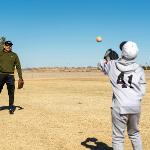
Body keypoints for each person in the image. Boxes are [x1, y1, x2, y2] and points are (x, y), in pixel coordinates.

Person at [97, 41, 146, 150]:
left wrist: (107, 59)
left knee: (118, 138)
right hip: (135, 106)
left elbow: (100, 64)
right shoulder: (139, 69)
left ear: (122, 52)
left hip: (119, 106)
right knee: (135, 134)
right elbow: (142, 91)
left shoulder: (112, 65)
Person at [0, 41, 24, 114]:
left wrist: (20, 77)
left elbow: (18, 66)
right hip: (1, 75)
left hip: (10, 76)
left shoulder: (14, 55)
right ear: (4, 46)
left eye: (10, 45)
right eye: (7, 45)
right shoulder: (0, 54)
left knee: (11, 92)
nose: (9, 46)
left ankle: (11, 108)